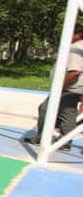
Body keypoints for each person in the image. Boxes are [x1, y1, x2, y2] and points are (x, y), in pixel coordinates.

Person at [24, 23, 83, 151]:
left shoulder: (75, 49)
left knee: (46, 109)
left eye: (69, 33)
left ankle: (42, 137)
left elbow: (75, 72)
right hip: (74, 88)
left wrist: (60, 87)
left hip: (68, 88)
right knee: (68, 113)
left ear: (78, 34)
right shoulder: (79, 47)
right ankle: (64, 142)